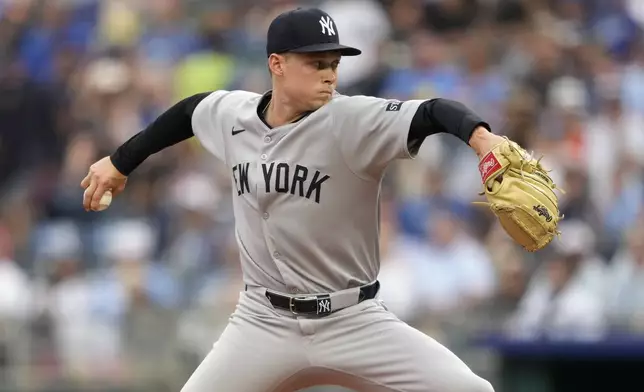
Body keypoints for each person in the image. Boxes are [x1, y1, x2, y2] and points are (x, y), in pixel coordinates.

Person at [81, 7, 502, 392]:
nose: (329, 75)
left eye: (334, 64)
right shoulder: (234, 114)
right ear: (277, 64)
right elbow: (189, 111)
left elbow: (431, 111)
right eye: (316, 63)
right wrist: (120, 163)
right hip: (262, 322)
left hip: (352, 320)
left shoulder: (351, 119)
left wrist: (481, 138)